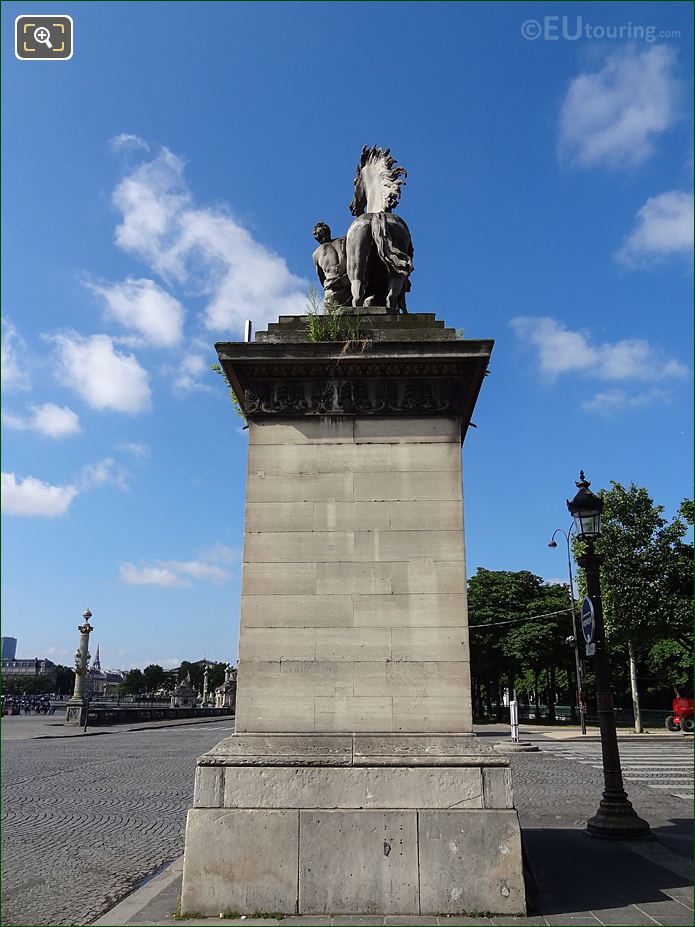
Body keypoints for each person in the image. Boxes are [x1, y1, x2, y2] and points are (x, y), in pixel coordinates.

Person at [312, 221, 352, 307]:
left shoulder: (316, 254)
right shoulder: (344, 241)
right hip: (348, 286)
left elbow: (321, 278)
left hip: (334, 290)